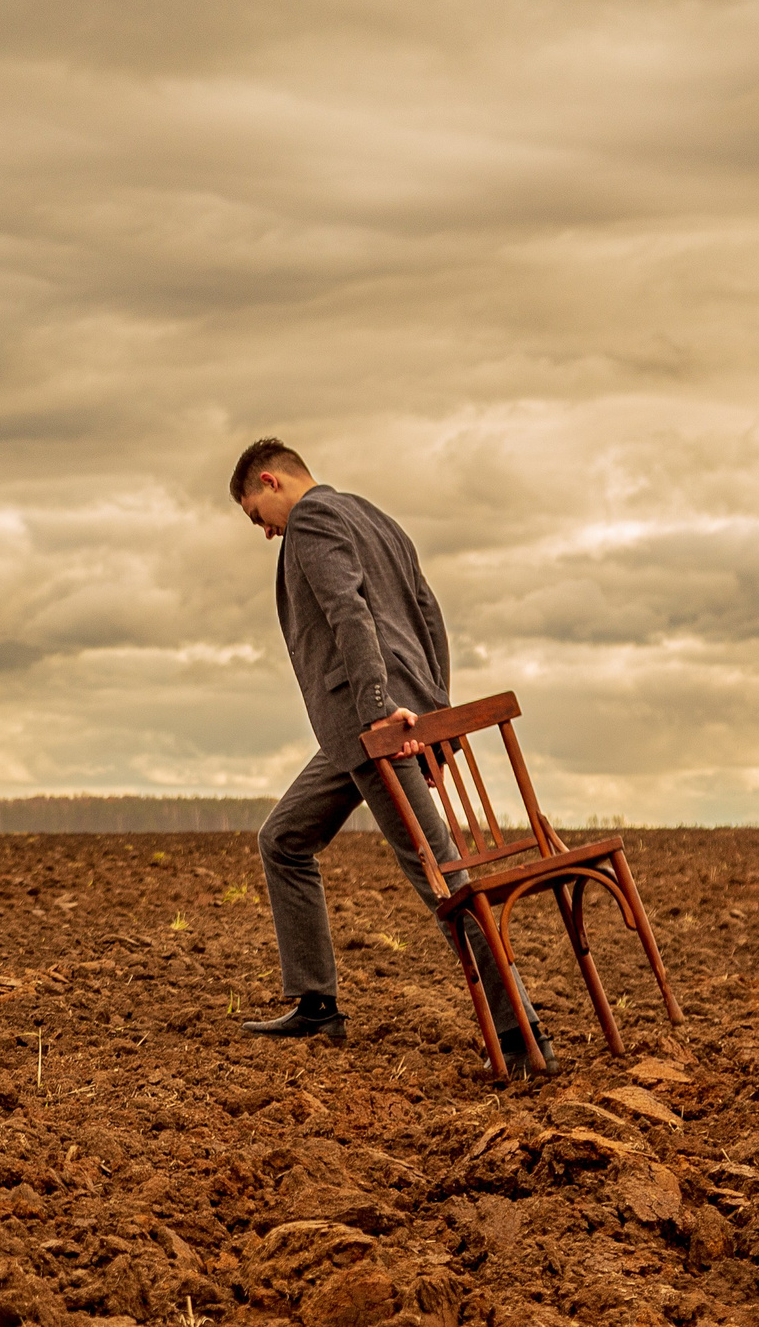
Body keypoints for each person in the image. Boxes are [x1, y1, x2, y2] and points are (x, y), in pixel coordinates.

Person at [229, 437, 548, 1066]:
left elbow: (349, 612)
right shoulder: (378, 518)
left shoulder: (314, 520)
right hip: (368, 728)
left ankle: (520, 1030)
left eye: (254, 517)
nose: (265, 534)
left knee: (443, 879)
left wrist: (381, 711)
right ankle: (316, 1005)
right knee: (284, 839)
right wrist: (431, 710)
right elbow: (430, 616)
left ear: (270, 482)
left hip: (373, 724)